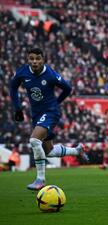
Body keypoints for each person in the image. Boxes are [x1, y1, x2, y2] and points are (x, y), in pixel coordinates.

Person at [10, 48, 88, 190]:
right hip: (36, 114)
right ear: (28, 59)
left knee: (34, 140)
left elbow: (67, 88)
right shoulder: (22, 72)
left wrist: (56, 103)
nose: (34, 62)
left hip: (51, 112)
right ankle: (77, 151)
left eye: (38, 58)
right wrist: (17, 108)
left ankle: (40, 179)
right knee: (48, 151)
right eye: (32, 58)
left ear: (43, 59)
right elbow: (13, 87)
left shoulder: (50, 75)